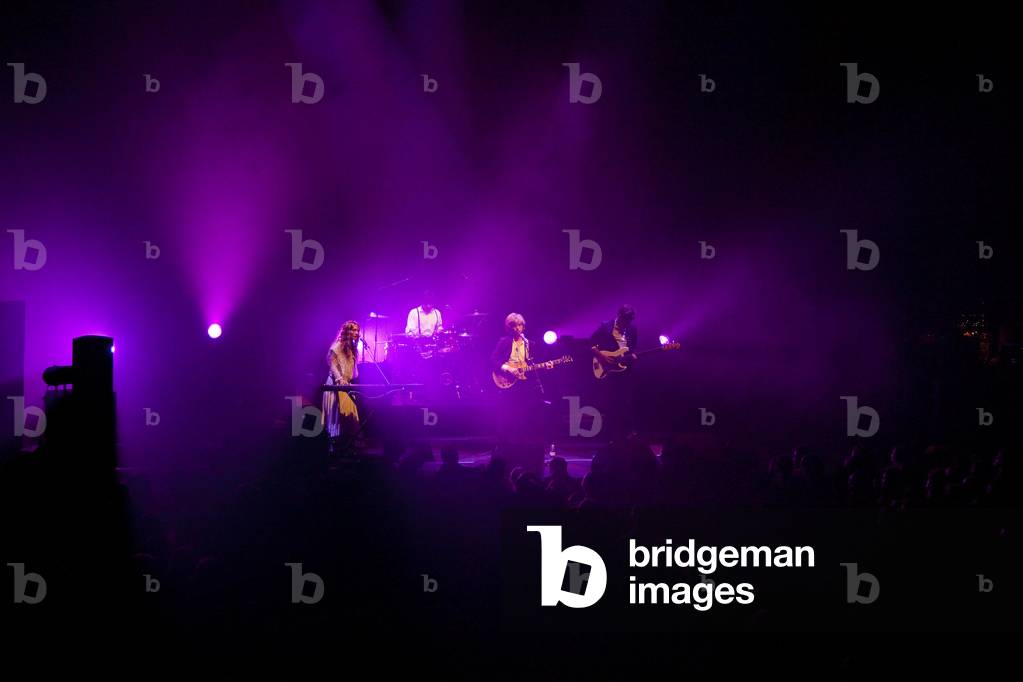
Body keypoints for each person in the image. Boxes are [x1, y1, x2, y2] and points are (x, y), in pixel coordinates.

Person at [590, 305, 639, 439]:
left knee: (625, 401)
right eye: (625, 319)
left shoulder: (632, 330)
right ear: (619, 316)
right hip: (609, 370)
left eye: (630, 320)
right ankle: (610, 435)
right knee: (610, 402)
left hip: (624, 370)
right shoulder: (606, 326)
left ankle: (626, 434)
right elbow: (591, 344)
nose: (627, 322)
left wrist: (632, 356)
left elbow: (633, 349)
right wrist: (602, 356)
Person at [322, 320, 361, 452]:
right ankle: (333, 450)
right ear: (346, 332)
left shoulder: (353, 349)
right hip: (334, 385)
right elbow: (332, 363)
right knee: (336, 417)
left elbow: (354, 373)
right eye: (353, 330)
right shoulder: (337, 345)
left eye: (357, 330)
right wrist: (339, 378)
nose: (356, 333)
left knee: (350, 419)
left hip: (346, 386)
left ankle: (347, 449)